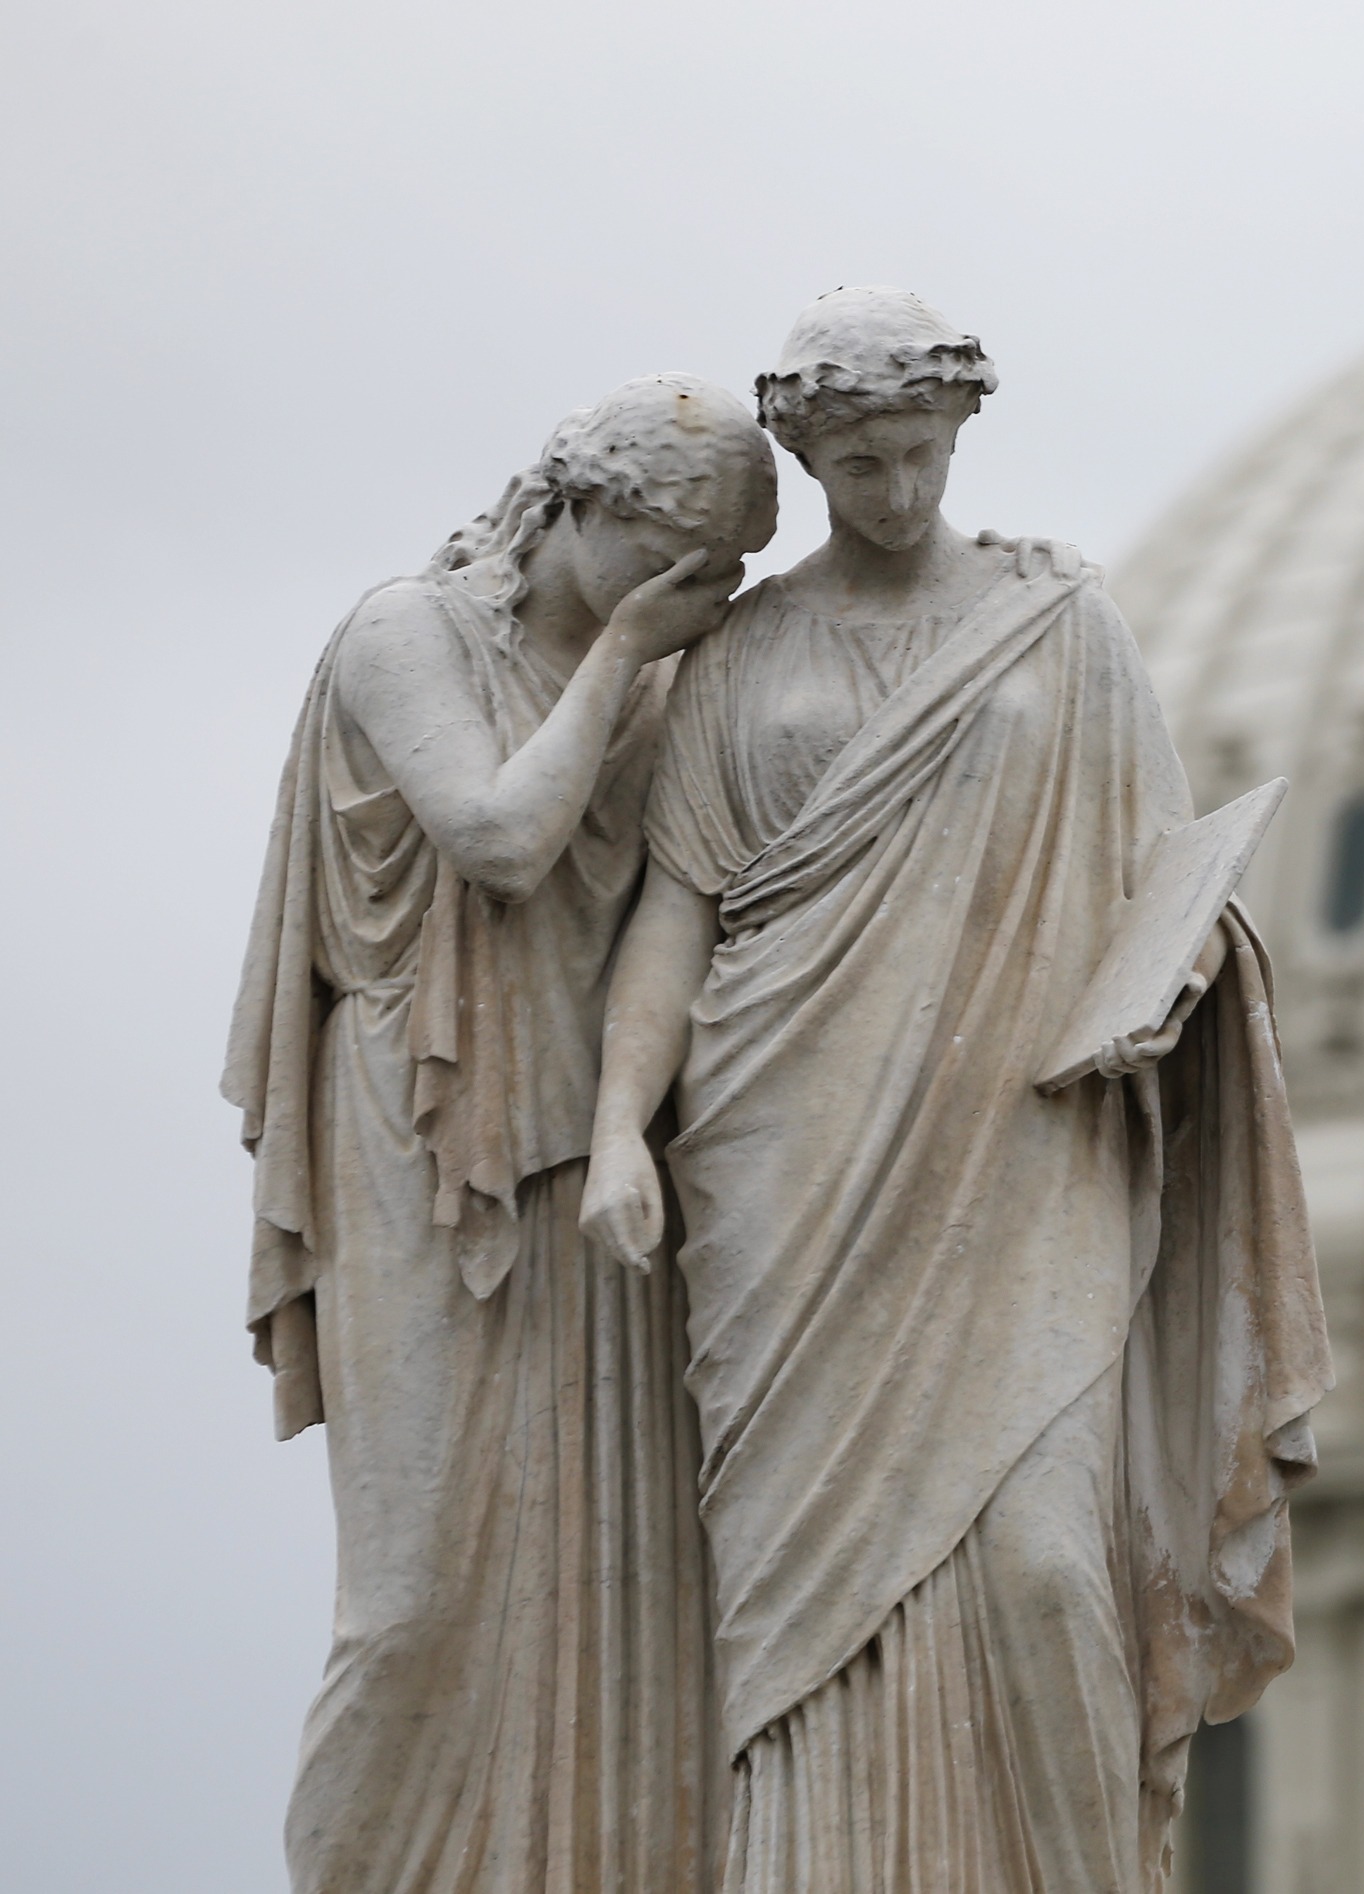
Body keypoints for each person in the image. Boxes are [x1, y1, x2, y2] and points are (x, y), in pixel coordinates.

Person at [582, 288, 1330, 1894]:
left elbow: (1161, 883)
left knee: (1049, 1564)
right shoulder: (747, 653)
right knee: (795, 1605)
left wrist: (1173, 989)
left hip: (1025, 1144)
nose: (899, 490)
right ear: (810, 456)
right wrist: (611, 1138)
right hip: (786, 1167)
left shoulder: (1062, 628)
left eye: (919, 453)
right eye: (861, 463)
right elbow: (676, 911)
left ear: (961, 436)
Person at [224, 374, 776, 1893]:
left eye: (727, 570)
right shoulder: (410, 631)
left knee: (618, 1590)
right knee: (410, 1599)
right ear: (584, 506)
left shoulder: (669, 670)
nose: (699, 593)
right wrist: (623, 656)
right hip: (420, 1120)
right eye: (678, 553)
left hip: (602, 1154)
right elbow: (501, 837)